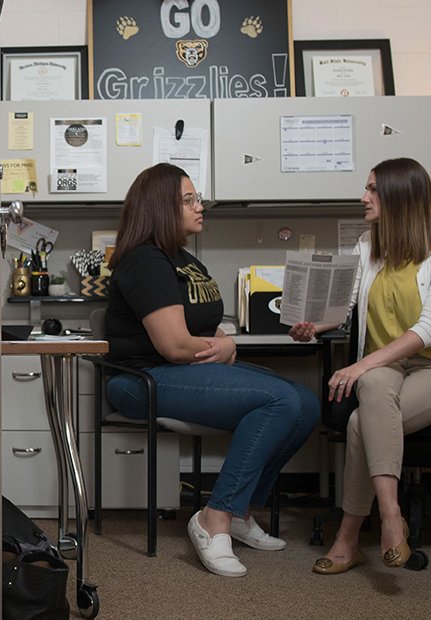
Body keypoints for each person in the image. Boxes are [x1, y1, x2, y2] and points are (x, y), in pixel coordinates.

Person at [103, 163, 319, 578]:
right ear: (161, 207)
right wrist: (225, 345)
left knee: (306, 403)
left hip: (179, 371)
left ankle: (239, 511)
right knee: (279, 401)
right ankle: (213, 517)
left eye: (197, 197)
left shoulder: (183, 259)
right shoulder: (145, 261)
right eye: (189, 199)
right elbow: (175, 345)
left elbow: (202, 322)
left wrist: (220, 338)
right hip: (141, 380)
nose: (200, 206)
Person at [289, 157, 431, 575]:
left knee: (360, 421)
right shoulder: (367, 245)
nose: (364, 197)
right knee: (374, 385)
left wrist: (358, 367)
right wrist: (315, 325)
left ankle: (352, 535)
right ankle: (392, 518)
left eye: (373, 189)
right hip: (386, 370)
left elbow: (429, 330)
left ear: (400, 196)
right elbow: (347, 307)